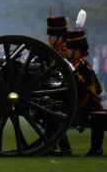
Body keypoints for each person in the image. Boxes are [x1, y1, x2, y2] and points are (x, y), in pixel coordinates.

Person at [65, 29, 103, 130]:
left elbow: (92, 90)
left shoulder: (84, 67)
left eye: (69, 48)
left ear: (77, 51)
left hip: (84, 109)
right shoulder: (73, 65)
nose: (66, 50)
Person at [45, 15, 71, 155]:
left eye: (51, 35)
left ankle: (52, 146)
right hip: (56, 90)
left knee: (52, 113)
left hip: (64, 93)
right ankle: (54, 146)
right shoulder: (54, 51)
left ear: (60, 37)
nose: (49, 38)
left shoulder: (65, 52)